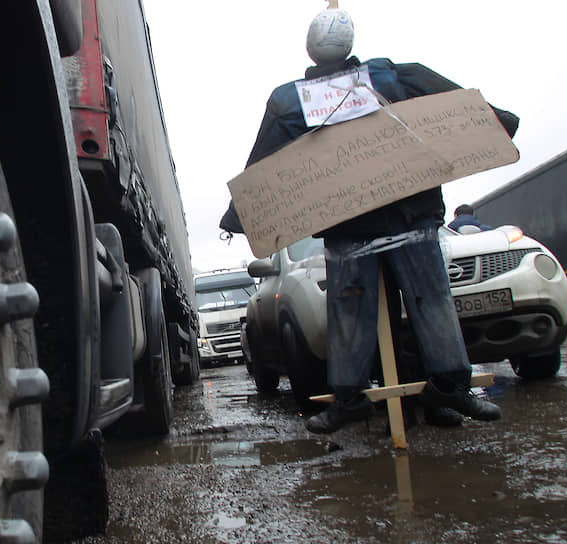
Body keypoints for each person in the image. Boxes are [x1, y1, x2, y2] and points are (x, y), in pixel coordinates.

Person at [221, 4, 518, 434]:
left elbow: (263, 163)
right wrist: (498, 122)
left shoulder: (290, 100)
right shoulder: (391, 75)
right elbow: (454, 103)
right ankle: (448, 386)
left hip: (352, 229)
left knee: (350, 313)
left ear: (311, 48)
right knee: (430, 302)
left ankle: (351, 398)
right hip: (408, 219)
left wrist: (239, 217)